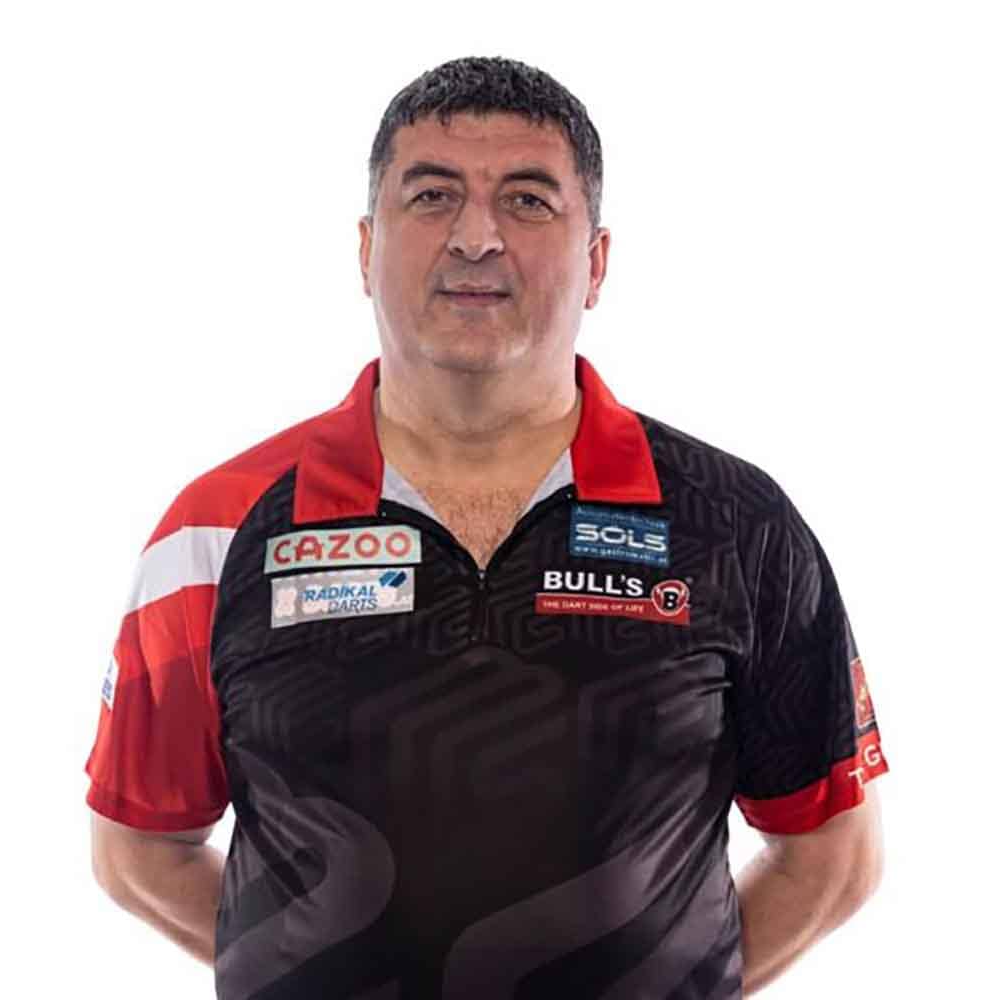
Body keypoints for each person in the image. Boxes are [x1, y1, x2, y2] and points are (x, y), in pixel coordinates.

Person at [83, 55, 890, 1000]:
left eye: (528, 201)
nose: (476, 237)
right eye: (431, 197)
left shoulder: (738, 528)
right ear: (365, 249)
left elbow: (833, 856)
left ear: (596, 262)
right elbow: (138, 849)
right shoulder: (216, 530)